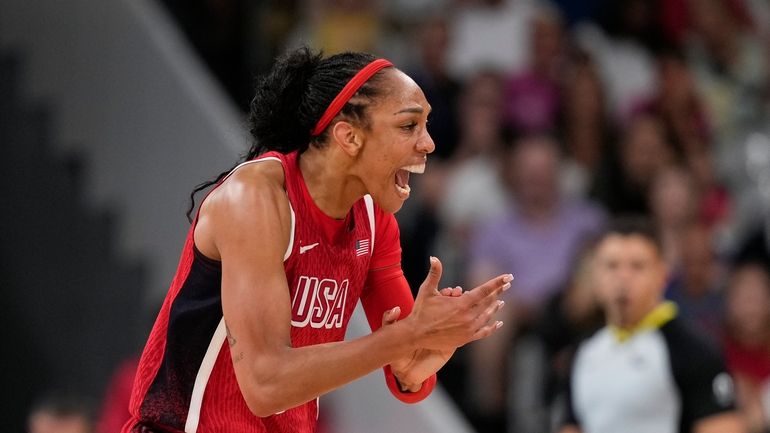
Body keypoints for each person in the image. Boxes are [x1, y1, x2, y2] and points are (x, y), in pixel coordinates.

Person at [122, 47, 512, 433]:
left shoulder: (375, 223)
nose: (428, 144)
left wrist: (424, 355)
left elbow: (407, 371)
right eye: (409, 126)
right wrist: (407, 337)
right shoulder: (255, 199)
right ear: (349, 136)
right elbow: (266, 383)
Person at [560, 217, 743, 433]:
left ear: (662, 275)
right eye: (611, 266)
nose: (623, 278)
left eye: (637, 266)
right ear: (595, 277)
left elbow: (723, 426)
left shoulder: (692, 349)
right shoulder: (584, 351)